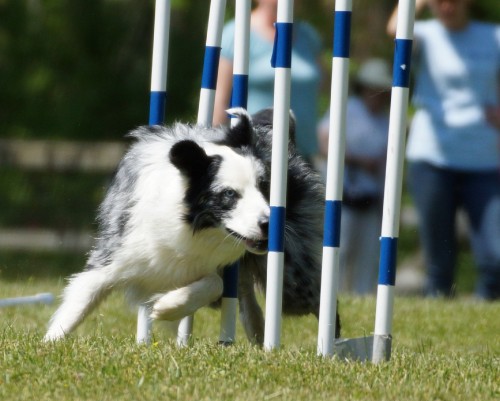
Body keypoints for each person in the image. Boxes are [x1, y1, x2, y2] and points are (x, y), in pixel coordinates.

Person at [387, 0, 500, 300]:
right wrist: (417, 2)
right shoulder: (425, 33)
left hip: (484, 158)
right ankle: (439, 303)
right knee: (440, 256)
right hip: (432, 156)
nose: (445, 7)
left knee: (495, 254)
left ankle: (486, 309)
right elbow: (394, 31)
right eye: (438, 2)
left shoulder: (493, 36)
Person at [213, 0, 323, 163]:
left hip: (304, 156)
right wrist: (216, 149)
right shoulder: (236, 33)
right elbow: (219, 102)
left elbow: (321, 88)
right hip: (254, 154)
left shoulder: (309, 36)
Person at [317, 58, 392, 295]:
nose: (377, 96)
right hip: (343, 194)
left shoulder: (387, 121)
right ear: (363, 88)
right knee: (339, 250)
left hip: (371, 198)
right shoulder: (348, 108)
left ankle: (364, 299)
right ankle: (331, 296)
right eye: (373, 89)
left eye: (382, 91)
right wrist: (358, 161)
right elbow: (325, 143)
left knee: (369, 256)